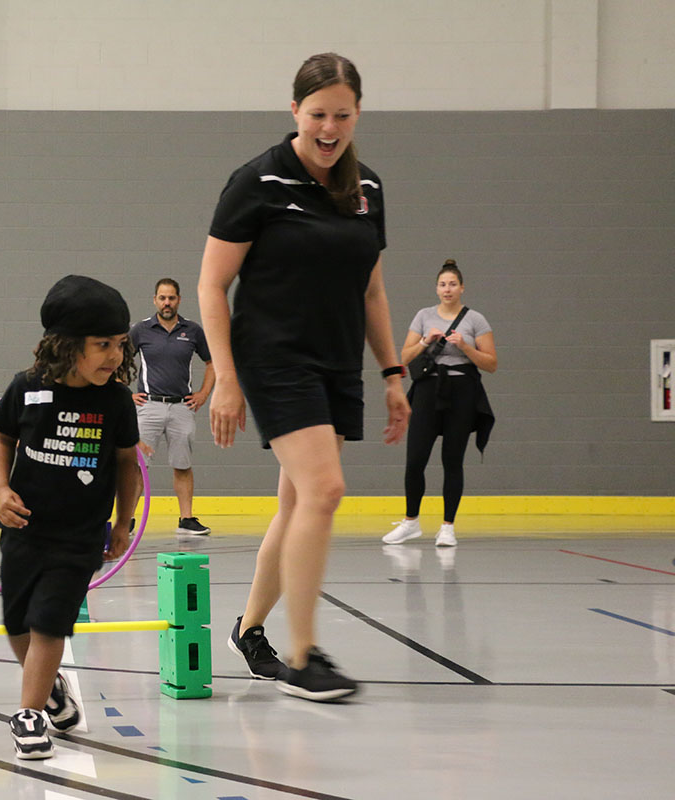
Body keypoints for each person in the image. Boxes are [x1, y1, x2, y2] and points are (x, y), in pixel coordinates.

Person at [197, 53, 410, 702]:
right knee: (325, 490)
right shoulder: (258, 180)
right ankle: (303, 654)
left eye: (342, 115)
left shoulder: (367, 188)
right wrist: (226, 378)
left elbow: (371, 288)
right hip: (273, 358)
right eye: (317, 114)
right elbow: (211, 284)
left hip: (337, 362)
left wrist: (393, 372)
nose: (329, 128)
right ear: (295, 111)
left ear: (358, 114)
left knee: (296, 504)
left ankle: (251, 631)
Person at [0, 274, 142, 759]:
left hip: (79, 538)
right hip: (24, 528)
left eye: (120, 344)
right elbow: (2, 441)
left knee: (50, 621)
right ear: (66, 345)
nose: (115, 356)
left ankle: (29, 715)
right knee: (17, 622)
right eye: (102, 345)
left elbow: (126, 463)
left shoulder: (115, 400)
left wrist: (123, 523)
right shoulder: (27, 389)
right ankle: (51, 691)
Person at [383, 259, 496, 548]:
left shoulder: (476, 320)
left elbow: (491, 363)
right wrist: (424, 342)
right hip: (428, 389)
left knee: (452, 459)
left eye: (453, 284)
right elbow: (403, 358)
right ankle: (410, 521)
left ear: (462, 288)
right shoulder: (423, 316)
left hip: (462, 390)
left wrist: (465, 346)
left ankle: (448, 526)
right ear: (436, 288)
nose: (448, 289)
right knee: (415, 458)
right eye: (443, 284)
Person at [129, 278, 215, 535]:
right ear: (155, 300)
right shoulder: (140, 330)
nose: (167, 303)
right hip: (149, 406)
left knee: (183, 464)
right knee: (136, 466)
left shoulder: (193, 330)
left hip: (181, 408)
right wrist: (125, 395)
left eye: (172, 298)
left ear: (179, 300)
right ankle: (127, 520)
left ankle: (186, 519)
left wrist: (202, 394)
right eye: (162, 298)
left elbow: (212, 363)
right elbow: (118, 361)